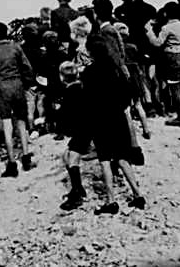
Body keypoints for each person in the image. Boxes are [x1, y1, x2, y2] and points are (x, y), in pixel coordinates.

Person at [81, 35, 145, 215]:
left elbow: (87, 99)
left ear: (91, 52)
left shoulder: (89, 73)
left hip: (100, 118)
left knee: (104, 159)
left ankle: (111, 200)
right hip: (118, 116)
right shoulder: (116, 69)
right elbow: (127, 94)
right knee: (122, 157)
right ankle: (137, 194)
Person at [0, 22, 35, 176]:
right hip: (17, 85)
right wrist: (25, 83)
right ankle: (26, 156)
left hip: (2, 87)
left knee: (7, 125)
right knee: (21, 122)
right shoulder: (16, 47)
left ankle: (12, 163)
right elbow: (27, 67)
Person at [58, 61, 89, 211]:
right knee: (67, 156)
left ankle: (76, 194)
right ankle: (78, 188)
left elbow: (66, 115)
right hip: (85, 127)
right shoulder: (82, 88)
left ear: (62, 77)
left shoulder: (68, 92)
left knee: (72, 159)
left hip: (81, 129)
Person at [114, 22, 151, 139]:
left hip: (125, 78)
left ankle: (131, 135)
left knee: (126, 108)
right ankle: (146, 129)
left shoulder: (117, 50)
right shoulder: (133, 47)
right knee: (138, 104)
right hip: (136, 78)